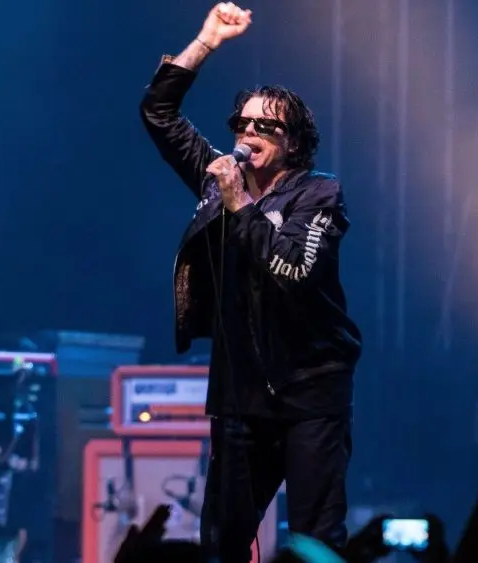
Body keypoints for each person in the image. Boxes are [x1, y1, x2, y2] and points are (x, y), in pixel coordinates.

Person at [139, 3, 363, 561]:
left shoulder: (319, 194)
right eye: (242, 122)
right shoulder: (219, 182)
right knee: (222, 539)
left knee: (312, 539)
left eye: (267, 126)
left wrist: (239, 202)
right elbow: (158, 111)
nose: (249, 132)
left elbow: (293, 272)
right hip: (239, 395)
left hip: (310, 390)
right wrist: (207, 40)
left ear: (292, 142)